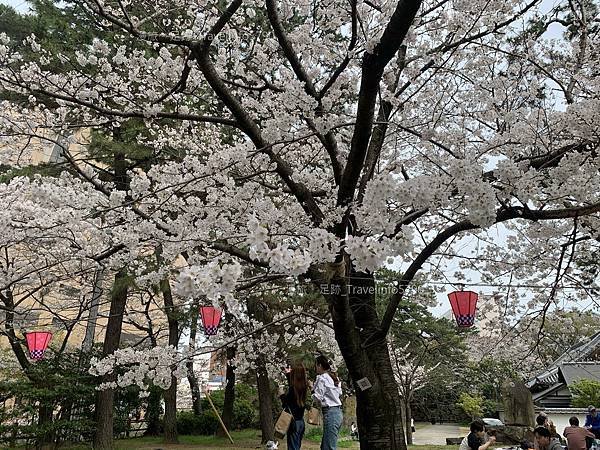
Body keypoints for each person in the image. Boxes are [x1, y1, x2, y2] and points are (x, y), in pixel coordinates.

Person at [310, 355, 343, 450]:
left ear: (320, 365)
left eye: (316, 365)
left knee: (328, 447)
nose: (315, 368)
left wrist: (312, 389)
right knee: (325, 446)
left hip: (330, 413)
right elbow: (339, 392)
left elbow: (317, 398)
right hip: (337, 413)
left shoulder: (322, 378)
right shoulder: (334, 377)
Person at [280, 363, 308, 450]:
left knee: (292, 447)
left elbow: (286, 403)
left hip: (293, 422)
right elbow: (294, 384)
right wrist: (288, 374)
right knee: (297, 446)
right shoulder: (304, 387)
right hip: (300, 422)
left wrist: (281, 395)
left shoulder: (293, 389)